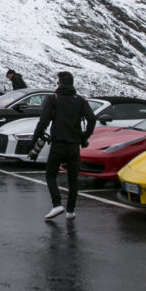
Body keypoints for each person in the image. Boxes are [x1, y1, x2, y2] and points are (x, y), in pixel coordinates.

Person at [31, 71, 96, 220]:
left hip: (58, 144)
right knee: (73, 179)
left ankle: (56, 204)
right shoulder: (80, 100)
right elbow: (91, 119)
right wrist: (84, 137)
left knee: (50, 174)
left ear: (60, 83)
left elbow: (43, 121)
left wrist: (35, 140)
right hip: (74, 145)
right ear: (72, 83)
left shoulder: (54, 99)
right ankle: (71, 211)